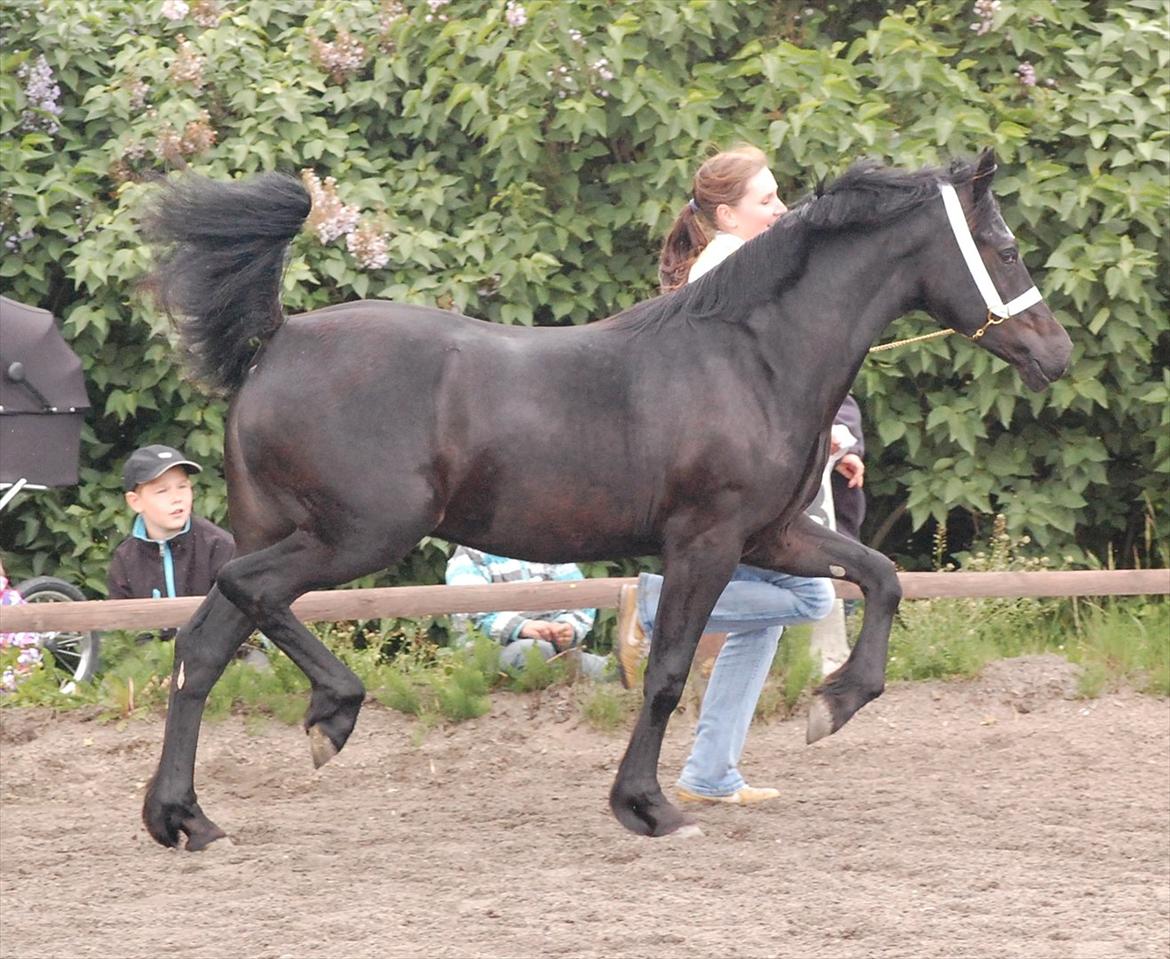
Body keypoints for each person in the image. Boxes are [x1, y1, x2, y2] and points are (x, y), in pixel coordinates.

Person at [617, 144, 839, 806]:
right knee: (809, 599)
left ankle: (711, 770)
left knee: (762, 618)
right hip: (723, 485)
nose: (782, 209)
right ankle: (653, 606)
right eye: (767, 200)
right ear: (728, 214)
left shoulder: (737, 266)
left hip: (735, 486)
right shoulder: (729, 273)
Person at [107, 444, 236, 642]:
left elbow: (237, 625)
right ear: (135, 502)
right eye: (162, 491)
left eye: (182, 487)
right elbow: (123, 638)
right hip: (150, 667)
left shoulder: (220, 546)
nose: (177, 499)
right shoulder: (125, 559)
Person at [445, 546, 612, 680]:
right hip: (491, 652)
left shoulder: (549, 549)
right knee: (534, 650)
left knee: (610, 670)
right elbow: (470, 609)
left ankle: (561, 675)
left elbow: (580, 598)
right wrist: (521, 627)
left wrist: (566, 627)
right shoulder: (471, 553)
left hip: (555, 652)